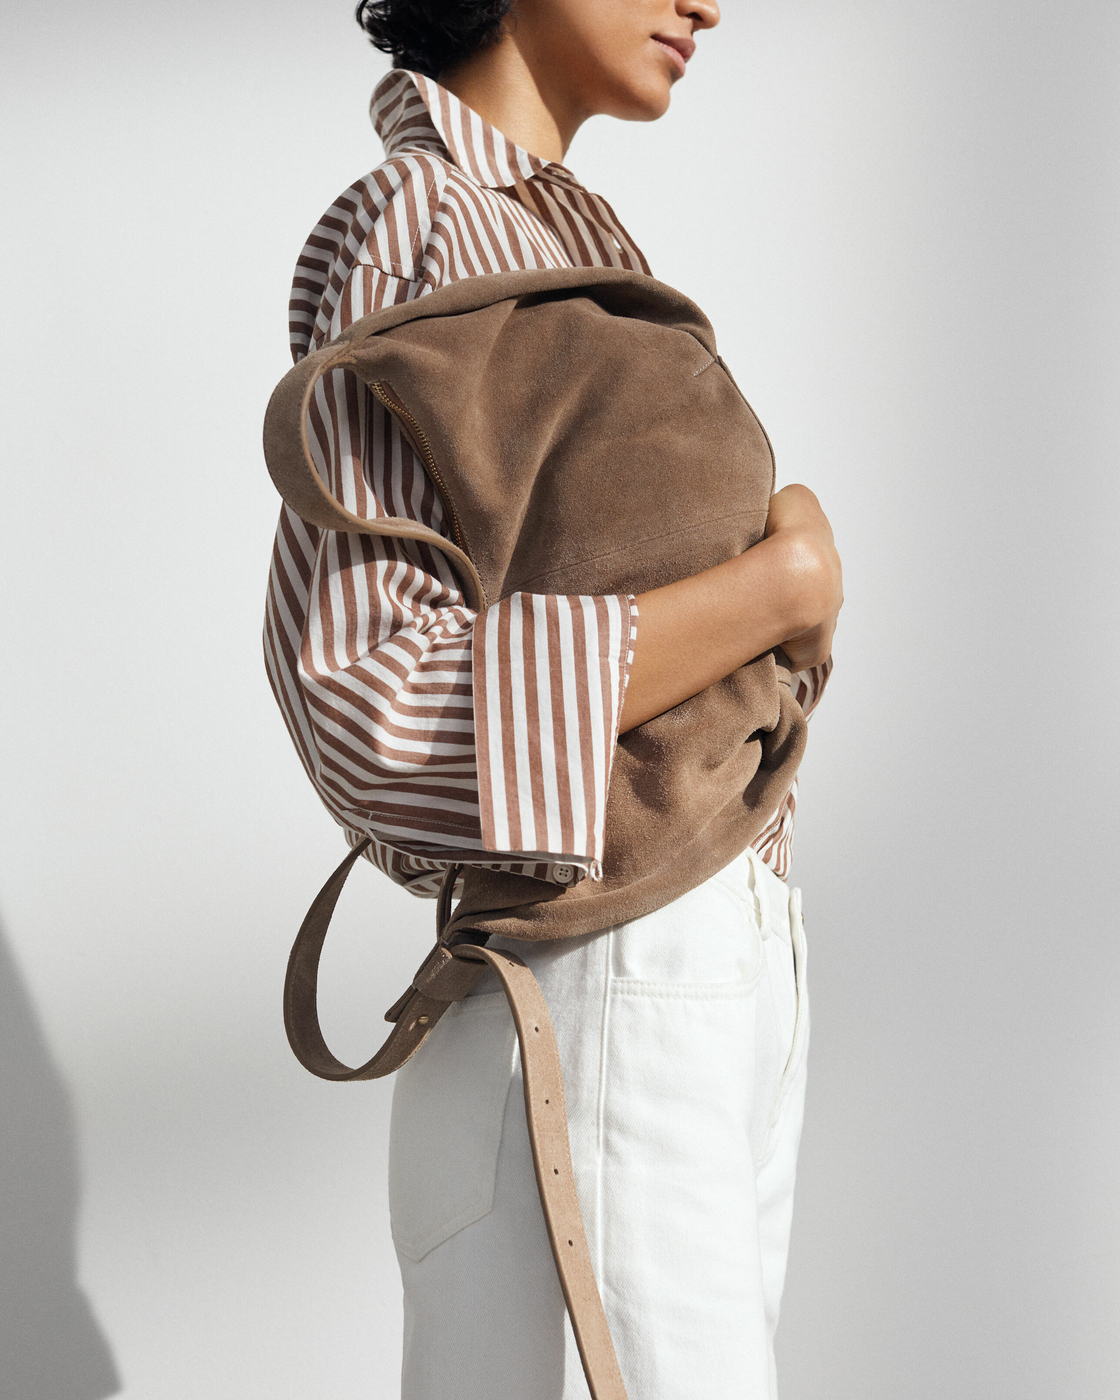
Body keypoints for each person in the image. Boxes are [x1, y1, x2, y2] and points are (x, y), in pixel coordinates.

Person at [263, 1, 843, 1395]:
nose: (707, 3)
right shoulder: (416, 223)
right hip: (598, 970)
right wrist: (778, 587)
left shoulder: (565, 238)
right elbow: (372, 704)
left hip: (713, 958)